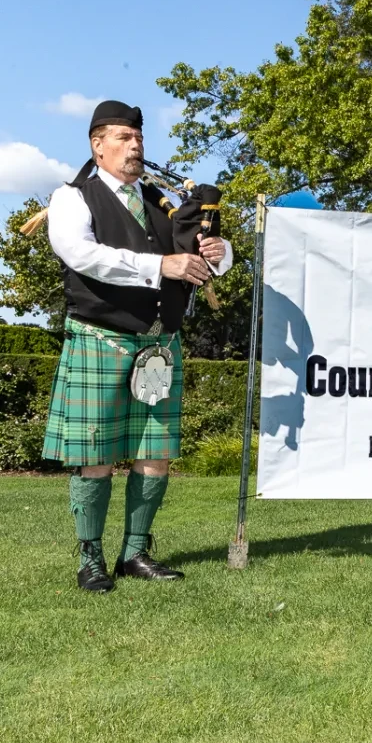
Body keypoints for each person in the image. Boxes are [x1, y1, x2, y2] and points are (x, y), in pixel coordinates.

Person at [41, 99, 233, 592]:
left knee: (155, 451)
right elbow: (81, 254)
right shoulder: (73, 197)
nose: (135, 146)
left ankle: (135, 553)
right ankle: (91, 559)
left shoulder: (160, 201)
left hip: (159, 343)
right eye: (124, 138)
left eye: (139, 139)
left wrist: (218, 253)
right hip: (99, 338)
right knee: (95, 452)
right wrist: (159, 267)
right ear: (97, 145)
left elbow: (203, 259)